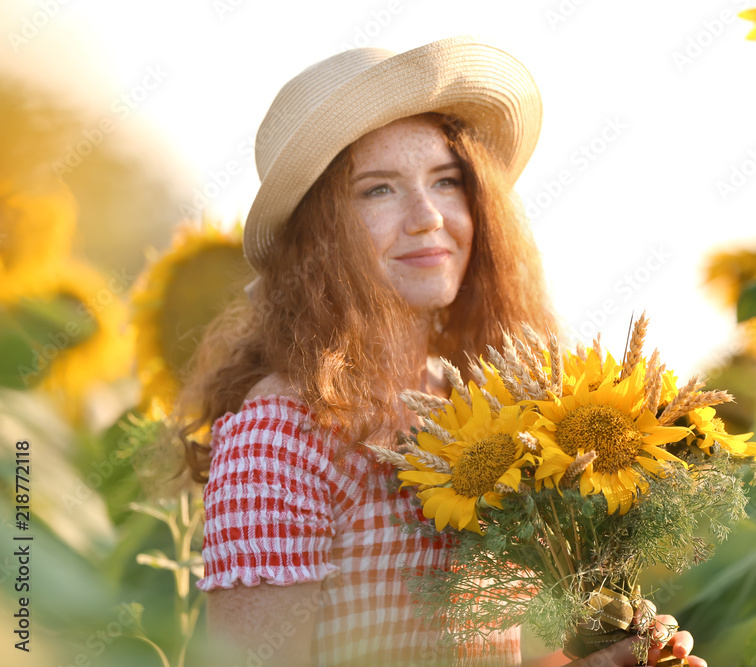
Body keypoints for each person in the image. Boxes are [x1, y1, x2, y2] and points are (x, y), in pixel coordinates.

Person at [180, 36, 707, 666]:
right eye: (378, 189)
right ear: (321, 236)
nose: (427, 216)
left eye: (446, 180)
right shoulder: (280, 440)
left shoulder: (484, 417)